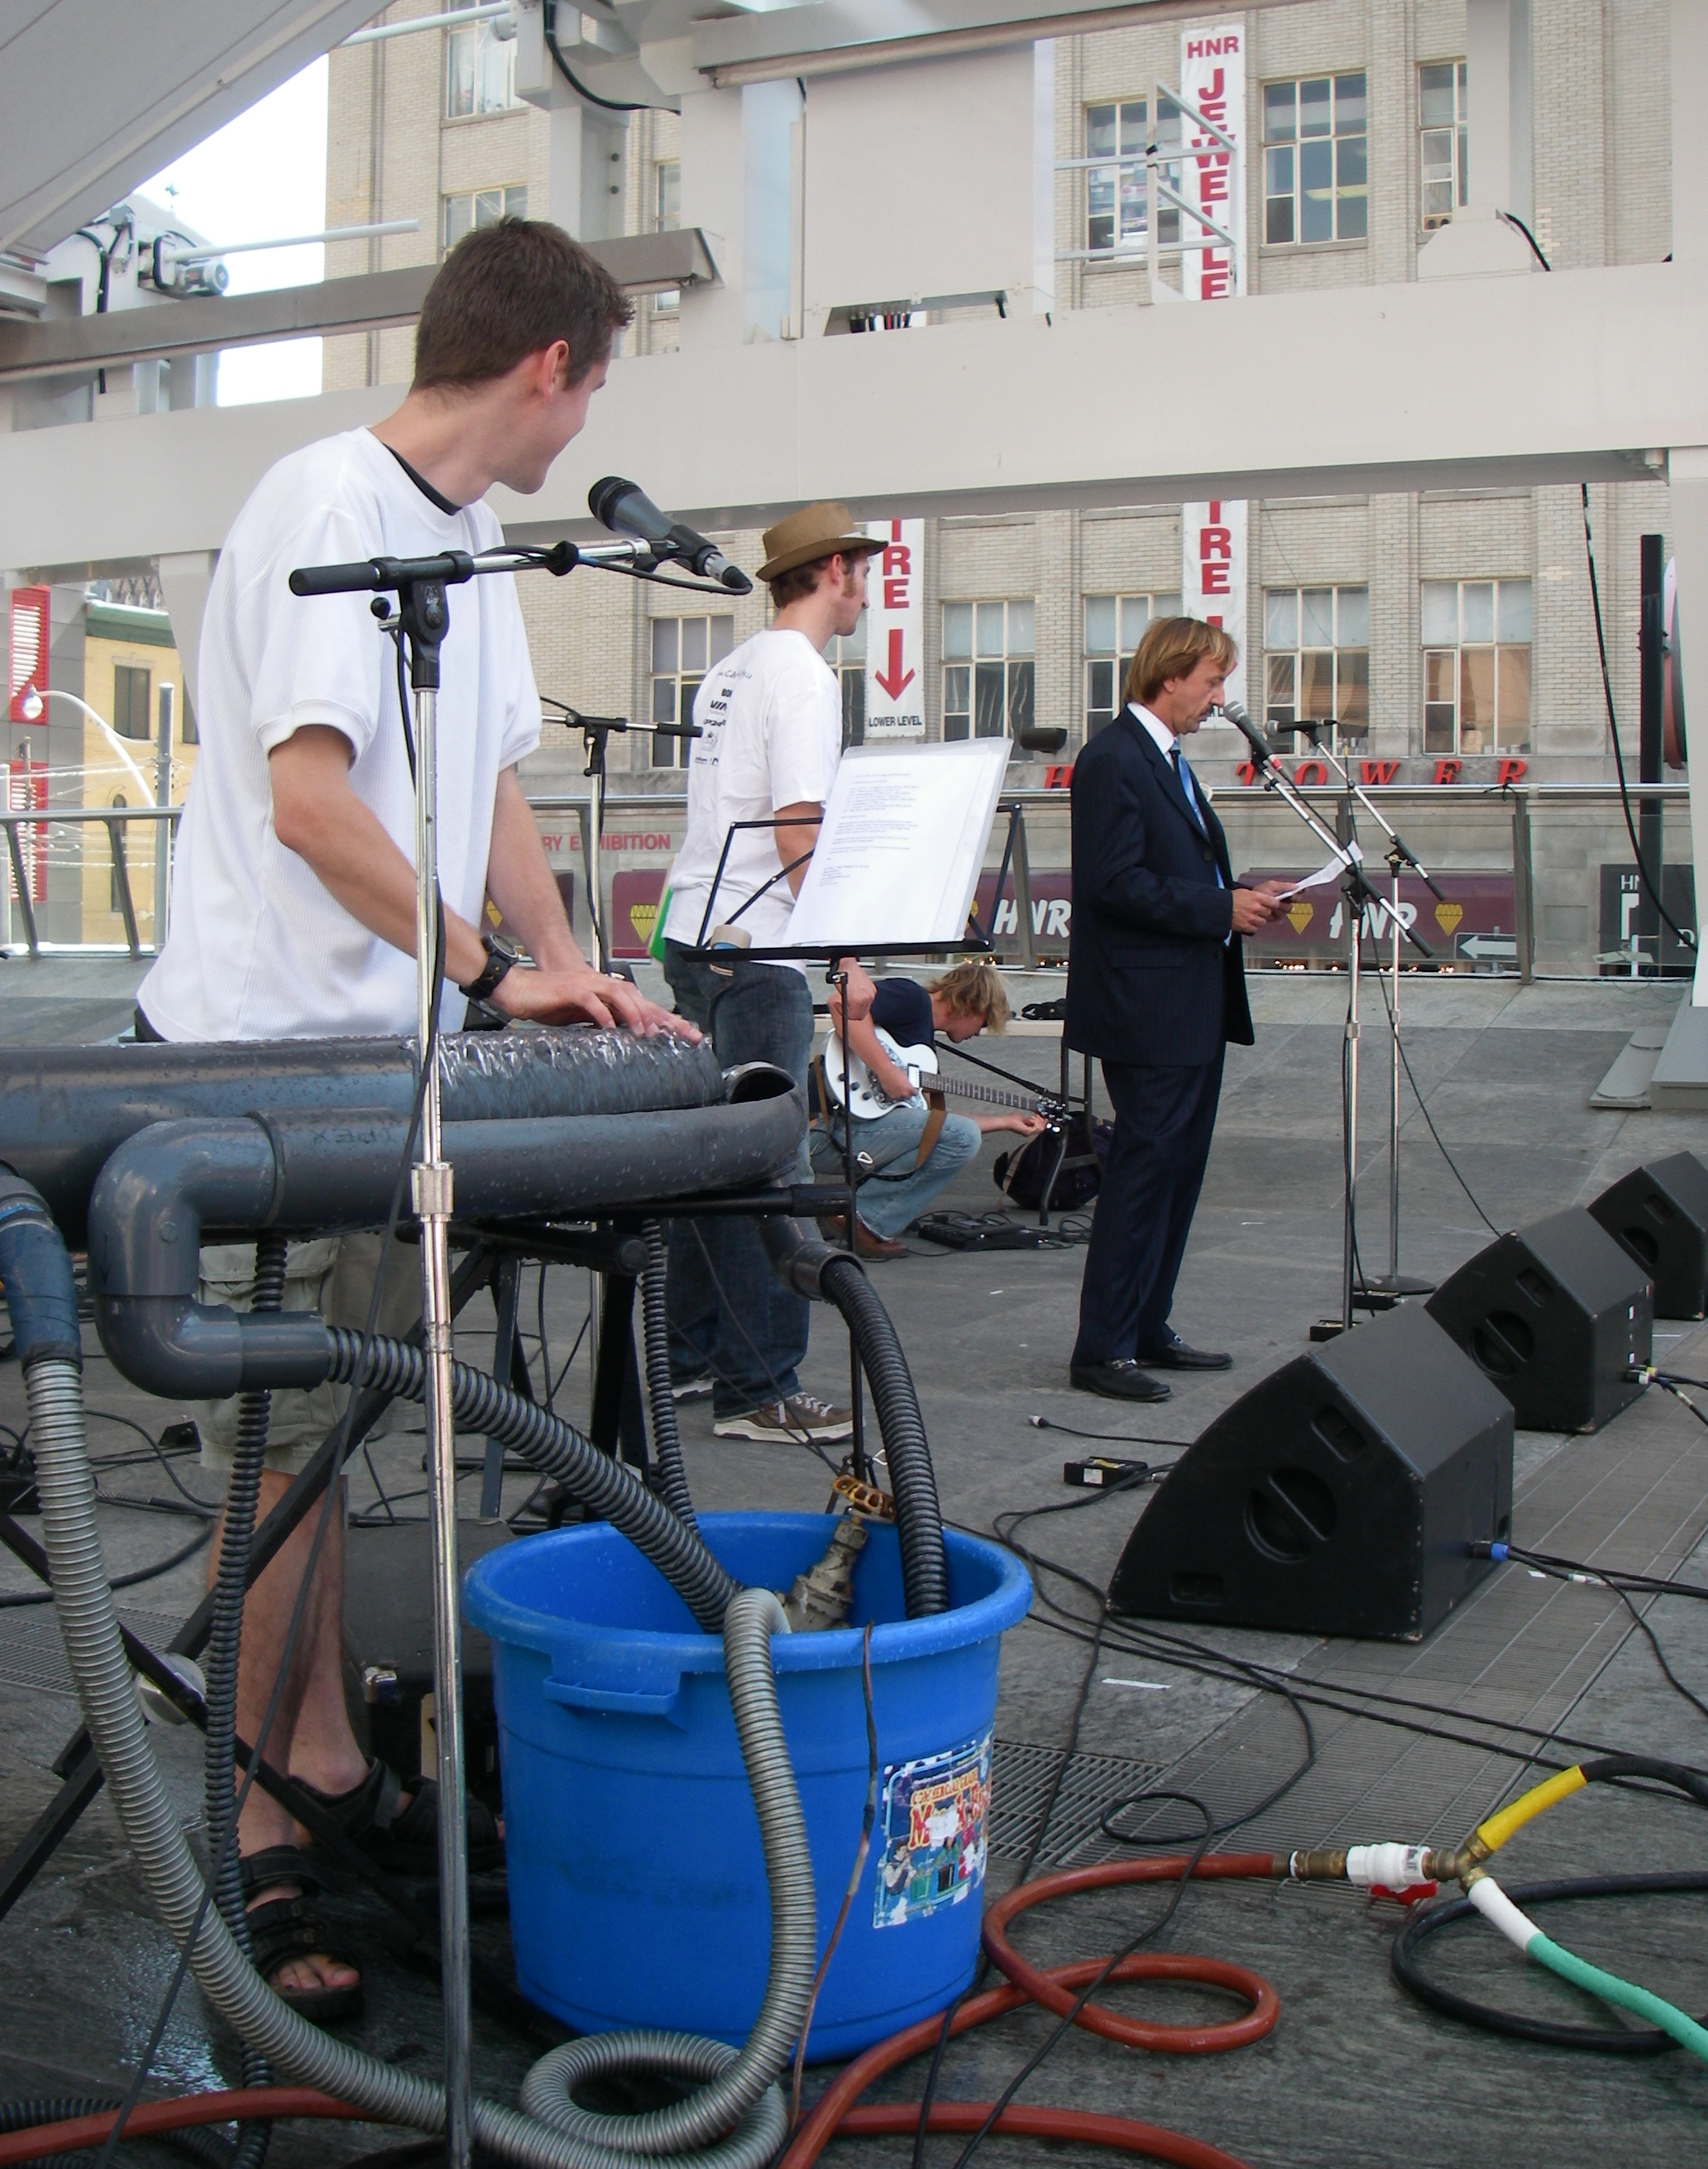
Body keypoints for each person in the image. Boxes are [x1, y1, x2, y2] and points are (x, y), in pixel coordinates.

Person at [136, 217, 692, 2018]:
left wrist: (570, 965)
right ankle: (258, 1824)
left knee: (334, 1441)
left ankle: (325, 1758)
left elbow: (492, 782)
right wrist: (487, 971)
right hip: (266, 1070)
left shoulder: (469, 541)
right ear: (550, 367)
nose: (586, 421)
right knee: (282, 1463)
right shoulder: (326, 500)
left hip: (387, 1068)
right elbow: (310, 806)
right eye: (593, 386)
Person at [658, 503, 881, 1440]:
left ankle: (689, 1358)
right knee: (768, 1162)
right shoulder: (803, 675)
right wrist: (844, 955)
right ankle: (762, 1388)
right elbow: (798, 826)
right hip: (759, 947)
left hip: (697, 931)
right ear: (834, 570)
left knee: (708, 1159)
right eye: (862, 571)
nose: (868, 589)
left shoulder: (734, 666)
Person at [1065, 617, 1290, 1401]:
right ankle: (1102, 1348)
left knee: (1180, 1172)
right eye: (1212, 681)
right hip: (1146, 1006)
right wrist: (1218, 908)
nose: (1219, 699)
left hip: (1189, 998)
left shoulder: (1166, 759)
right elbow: (1112, 883)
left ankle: (1146, 1325)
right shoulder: (1113, 759)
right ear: (1170, 677)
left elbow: (1171, 870)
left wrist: (1237, 897)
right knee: (1143, 1171)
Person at [810, 962, 1048, 1253]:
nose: (978, 1033)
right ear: (972, 1004)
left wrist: (1006, 1121)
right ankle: (862, 1220)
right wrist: (886, 1071)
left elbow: (931, 1123)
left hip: (844, 1133)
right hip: (822, 1127)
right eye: (984, 1023)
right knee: (962, 1137)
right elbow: (840, 1003)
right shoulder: (913, 999)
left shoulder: (922, 1049)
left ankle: (850, 1216)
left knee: (955, 1135)